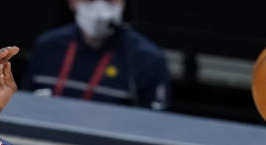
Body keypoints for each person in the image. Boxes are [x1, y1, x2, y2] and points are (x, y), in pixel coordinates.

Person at [23, 0, 170, 110]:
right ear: (72, 2)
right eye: (90, 0)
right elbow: (25, 105)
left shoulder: (149, 59)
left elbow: (154, 125)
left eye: (109, 0)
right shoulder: (47, 46)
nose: (100, 9)